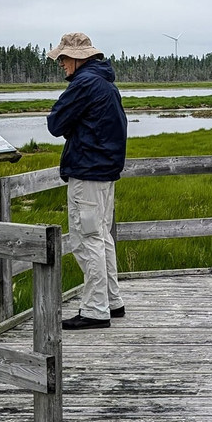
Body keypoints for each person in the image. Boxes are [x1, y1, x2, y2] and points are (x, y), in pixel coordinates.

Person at [46, 32, 128, 330]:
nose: (62, 65)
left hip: (88, 172)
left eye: (64, 58)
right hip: (104, 172)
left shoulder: (84, 84)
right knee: (102, 236)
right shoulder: (105, 82)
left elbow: (55, 123)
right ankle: (111, 301)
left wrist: (72, 125)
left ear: (78, 58)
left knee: (86, 239)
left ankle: (95, 310)